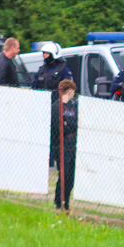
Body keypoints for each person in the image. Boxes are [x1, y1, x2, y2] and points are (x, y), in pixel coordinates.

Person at [32, 42, 74, 167]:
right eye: (43, 53)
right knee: (44, 133)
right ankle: (47, 159)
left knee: (57, 133)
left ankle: (58, 159)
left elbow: (68, 87)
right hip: (42, 107)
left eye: (47, 53)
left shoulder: (63, 69)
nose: (45, 56)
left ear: (54, 54)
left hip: (57, 107)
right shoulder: (42, 69)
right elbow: (34, 85)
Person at [54, 80, 78, 211]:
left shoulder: (72, 106)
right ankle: (59, 202)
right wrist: (68, 126)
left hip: (72, 145)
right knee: (64, 174)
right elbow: (58, 126)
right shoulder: (57, 106)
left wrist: (67, 125)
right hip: (61, 146)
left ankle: (66, 202)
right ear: (69, 91)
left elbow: (74, 124)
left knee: (71, 177)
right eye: (73, 91)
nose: (74, 94)